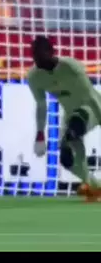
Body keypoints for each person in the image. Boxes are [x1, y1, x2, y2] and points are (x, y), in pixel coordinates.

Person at [28, 36, 101, 201]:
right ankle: (94, 185)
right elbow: (41, 105)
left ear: (51, 52)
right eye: (34, 55)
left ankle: (70, 138)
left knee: (75, 125)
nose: (37, 59)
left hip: (92, 108)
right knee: (67, 160)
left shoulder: (70, 67)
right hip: (70, 113)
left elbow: (89, 97)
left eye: (40, 54)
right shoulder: (34, 77)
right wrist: (40, 134)